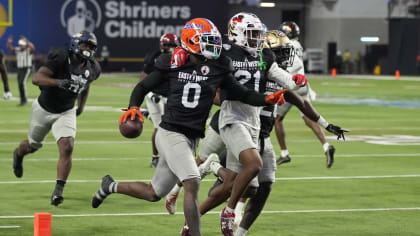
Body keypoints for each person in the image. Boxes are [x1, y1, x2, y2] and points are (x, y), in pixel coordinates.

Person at [90, 18, 286, 236]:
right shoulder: (173, 62)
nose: (214, 45)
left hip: (191, 137)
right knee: (192, 182)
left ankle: (110, 186)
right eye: (208, 41)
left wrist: (265, 100)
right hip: (170, 132)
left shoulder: (219, 65)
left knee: (154, 192)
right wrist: (133, 106)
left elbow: (242, 93)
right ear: (191, 42)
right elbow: (143, 86)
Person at [169, 13, 310, 236]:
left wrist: (295, 81)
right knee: (254, 164)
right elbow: (200, 56)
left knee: (245, 186)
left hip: (253, 121)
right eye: (252, 34)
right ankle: (229, 212)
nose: (256, 39)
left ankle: (189, 224)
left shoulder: (263, 54)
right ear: (238, 34)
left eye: (258, 34)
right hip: (232, 118)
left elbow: (279, 75)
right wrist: (182, 53)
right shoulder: (225, 52)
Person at [12, 31, 101, 206]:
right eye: (85, 45)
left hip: (66, 111)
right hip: (44, 109)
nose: (88, 49)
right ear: (75, 44)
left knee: (67, 146)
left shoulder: (93, 68)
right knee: (32, 146)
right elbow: (37, 79)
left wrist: (81, 107)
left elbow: (86, 86)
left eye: (91, 46)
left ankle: (58, 192)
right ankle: (19, 153)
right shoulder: (60, 56)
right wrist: (58, 82)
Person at [273, 29, 336, 168]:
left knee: (276, 118)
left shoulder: (285, 44)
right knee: (308, 116)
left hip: (289, 82)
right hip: (302, 82)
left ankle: (284, 153)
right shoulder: (298, 45)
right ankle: (326, 145)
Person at [139, 33, 178, 168]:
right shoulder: (154, 56)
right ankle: (155, 157)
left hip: (170, 96)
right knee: (159, 127)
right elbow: (144, 78)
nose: (169, 48)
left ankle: (168, 155)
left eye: (172, 45)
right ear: (161, 44)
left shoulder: (178, 57)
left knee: (170, 125)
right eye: (167, 44)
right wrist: (148, 92)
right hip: (154, 96)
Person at [7, 35, 35, 106]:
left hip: (27, 69)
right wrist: (9, 43)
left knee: (22, 83)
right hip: (20, 69)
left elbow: (33, 47)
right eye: (20, 45)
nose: (21, 46)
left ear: (24, 45)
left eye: (22, 45)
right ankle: (22, 100)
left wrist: (27, 41)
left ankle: (24, 100)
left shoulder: (28, 50)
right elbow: (10, 48)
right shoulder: (17, 50)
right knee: (19, 84)